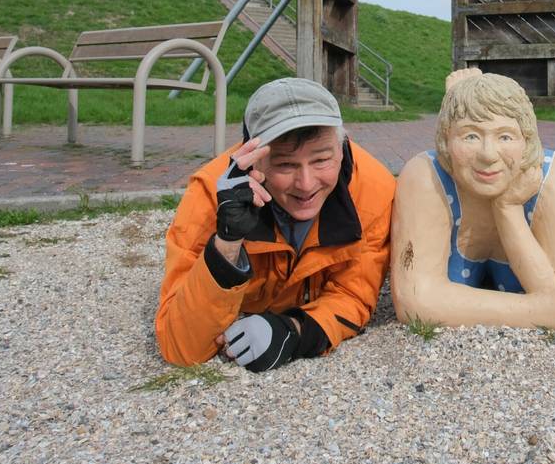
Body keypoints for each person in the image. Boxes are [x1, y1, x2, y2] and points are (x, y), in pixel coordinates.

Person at [156, 77, 396, 371]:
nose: (306, 184)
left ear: (342, 146)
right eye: (285, 165)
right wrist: (227, 243)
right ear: (253, 159)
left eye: (321, 160)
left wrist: (295, 331)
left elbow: (353, 295)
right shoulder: (209, 196)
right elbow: (180, 347)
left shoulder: (374, 189)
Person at [390, 69, 555, 332]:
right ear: (446, 141)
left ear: (527, 141)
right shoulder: (425, 175)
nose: (488, 154)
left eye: (505, 136)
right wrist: (545, 312)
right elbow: (415, 301)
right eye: (470, 136)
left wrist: (509, 209)